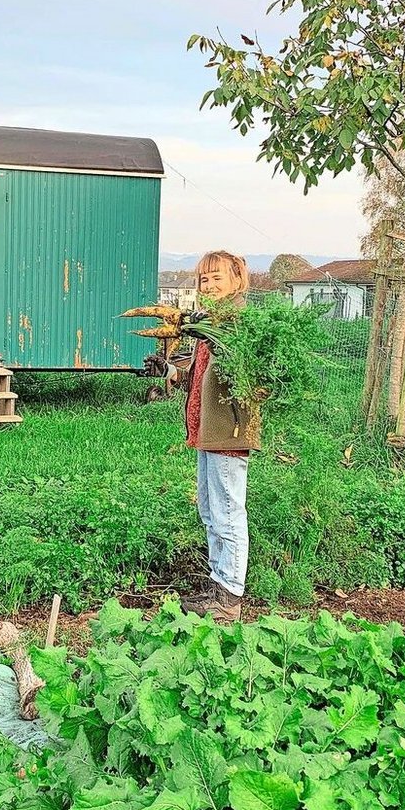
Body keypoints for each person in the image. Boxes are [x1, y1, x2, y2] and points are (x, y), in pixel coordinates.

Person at [177, 250, 261, 623]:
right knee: (210, 510)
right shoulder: (211, 324)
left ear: (237, 281)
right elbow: (201, 376)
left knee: (227, 513)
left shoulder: (239, 323)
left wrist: (213, 332)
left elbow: (244, 371)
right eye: (203, 280)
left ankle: (229, 598)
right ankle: (217, 585)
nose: (208, 286)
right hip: (206, 431)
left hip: (229, 430)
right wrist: (169, 368)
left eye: (216, 278)